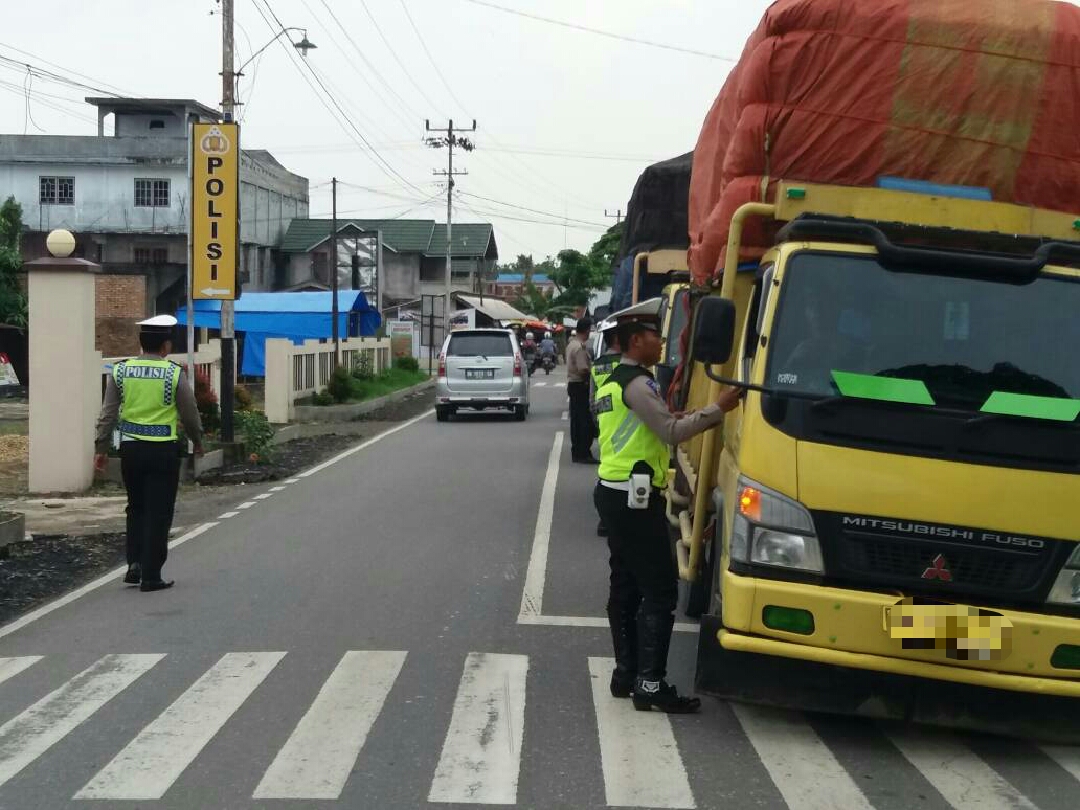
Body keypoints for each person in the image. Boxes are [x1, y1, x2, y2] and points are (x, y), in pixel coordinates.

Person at [593, 299, 744, 712]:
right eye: (656, 336)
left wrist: (684, 413)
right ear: (636, 341)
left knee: (624, 585)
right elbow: (672, 433)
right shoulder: (639, 383)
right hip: (634, 498)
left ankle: (626, 674)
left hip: (614, 491)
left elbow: (654, 423)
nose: (662, 343)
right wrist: (719, 409)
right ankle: (651, 684)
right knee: (659, 591)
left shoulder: (610, 379)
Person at [94, 315, 203, 592]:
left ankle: (135, 565)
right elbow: (189, 413)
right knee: (159, 511)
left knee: (136, 507)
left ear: (141, 343)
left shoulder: (121, 371)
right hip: (162, 450)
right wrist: (197, 441)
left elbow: (108, 414)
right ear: (166, 346)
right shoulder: (173, 373)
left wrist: (101, 448)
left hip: (130, 450)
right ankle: (152, 575)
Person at [589, 318, 622, 537]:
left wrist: (599, 419)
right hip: (627, 418)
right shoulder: (627, 364)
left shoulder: (597, 365)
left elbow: (593, 399)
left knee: (607, 466)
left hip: (605, 420)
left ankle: (605, 518)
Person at [565, 317, 597, 463]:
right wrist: (593, 375)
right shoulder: (579, 347)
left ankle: (577, 451)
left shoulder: (571, 344)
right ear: (587, 330)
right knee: (585, 421)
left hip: (573, 384)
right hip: (580, 384)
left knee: (576, 421)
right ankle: (583, 452)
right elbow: (583, 368)